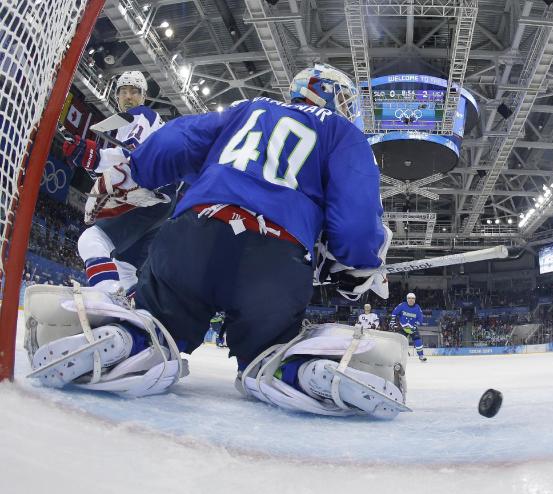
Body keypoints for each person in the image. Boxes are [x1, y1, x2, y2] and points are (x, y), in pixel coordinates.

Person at [24, 64, 408, 419]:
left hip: (194, 235)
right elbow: (357, 215)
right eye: (341, 97)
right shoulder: (342, 132)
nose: (346, 107)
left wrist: (137, 169)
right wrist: (354, 266)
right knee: (271, 345)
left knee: (158, 323)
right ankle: (292, 369)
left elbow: (176, 139)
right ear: (321, 92)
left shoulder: (246, 108)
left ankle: (132, 341)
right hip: (275, 259)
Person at [62, 71, 176, 295]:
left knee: (91, 240)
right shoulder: (126, 123)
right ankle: (138, 315)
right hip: (162, 204)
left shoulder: (141, 115)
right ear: (116, 96)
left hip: (149, 195)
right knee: (125, 270)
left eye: (134, 91)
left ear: (143, 97)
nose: (129, 96)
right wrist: (92, 158)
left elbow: (131, 155)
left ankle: (108, 294)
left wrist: (92, 155)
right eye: (124, 91)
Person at [391, 292, 426, 362]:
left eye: (413, 298)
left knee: (418, 340)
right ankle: (396, 357)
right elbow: (394, 313)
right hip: (402, 328)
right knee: (398, 341)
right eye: (409, 298)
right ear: (407, 299)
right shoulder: (402, 305)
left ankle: (421, 356)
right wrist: (392, 322)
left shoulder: (417, 307)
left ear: (415, 300)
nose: (411, 300)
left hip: (412, 328)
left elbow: (420, 318)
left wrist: (415, 325)